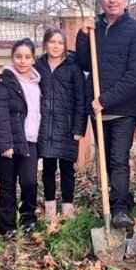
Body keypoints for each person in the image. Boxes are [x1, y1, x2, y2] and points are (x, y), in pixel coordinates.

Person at [75, 0, 136, 229]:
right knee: (106, 161)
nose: (112, 0)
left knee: (119, 158)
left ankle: (119, 211)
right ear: (101, 1)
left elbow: (134, 77)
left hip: (123, 109)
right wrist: (82, 35)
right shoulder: (94, 30)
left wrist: (104, 100)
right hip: (98, 108)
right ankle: (123, 198)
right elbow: (86, 64)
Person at [0, 38, 42, 237]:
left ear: (33, 59)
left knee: (29, 182)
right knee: (8, 184)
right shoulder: (4, 82)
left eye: (27, 57)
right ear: (12, 58)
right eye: (18, 57)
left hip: (30, 140)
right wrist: (5, 144)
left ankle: (28, 218)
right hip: (8, 142)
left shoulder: (37, 82)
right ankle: (6, 225)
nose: (22, 61)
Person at [35, 28, 87, 219]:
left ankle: (67, 208)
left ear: (65, 46)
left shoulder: (73, 67)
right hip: (45, 128)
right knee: (48, 168)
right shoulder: (37, 66)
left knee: (67, 170)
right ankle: (49, 209)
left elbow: (80, 99)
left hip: (66, 127)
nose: (56, 46)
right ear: (45, 43)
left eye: (60, 43)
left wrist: (79, 128)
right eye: (52, 42)